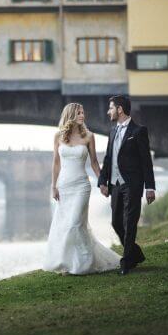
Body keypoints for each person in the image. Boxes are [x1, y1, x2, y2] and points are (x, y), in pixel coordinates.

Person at [43, 103, 121, 275]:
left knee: (75, 224)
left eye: (83, 112)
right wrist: (53, 186)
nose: (82, 115)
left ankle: (84, 264)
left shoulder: (89, 136)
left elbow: (94, 162)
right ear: (70, 114)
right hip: (64, 185)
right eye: (79, 113)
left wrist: (102, 182)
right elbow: (56, 163)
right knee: (65, 225)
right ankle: (70, 263)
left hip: (81, 186)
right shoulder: (58, 136)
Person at [98, 95, 156, 275]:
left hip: (132, 184)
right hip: (115, 184)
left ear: (120, 109)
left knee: (129, 223)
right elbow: (108, 158)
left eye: (111, 108)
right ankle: (135, 254)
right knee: (116, 222)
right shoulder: (113, 131)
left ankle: (126, 262)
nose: (109, 111)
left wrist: (150, 187)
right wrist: (102, 181)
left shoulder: (139, 131)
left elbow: (146, 161)